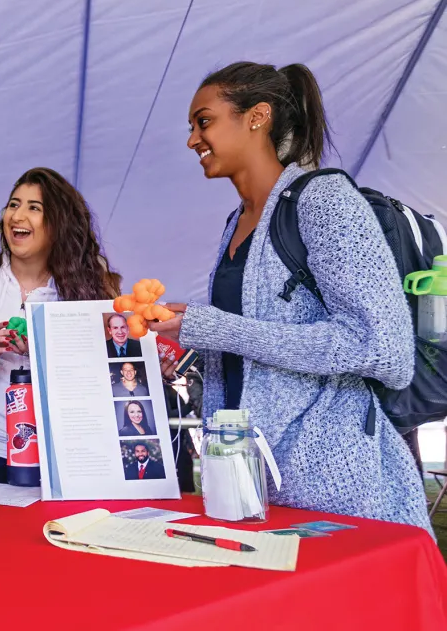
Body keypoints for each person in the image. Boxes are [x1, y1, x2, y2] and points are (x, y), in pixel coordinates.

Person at [151, 61, 432, 534]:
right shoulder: (236, 222)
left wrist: (217, 328)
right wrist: (191, 330)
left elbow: (386, 351)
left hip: (335, 486)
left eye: (204, 121)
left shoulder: (324, 200)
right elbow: (252, 345)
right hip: (249, 482)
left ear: (256, 116)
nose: (192, 140)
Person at [0, 167, 121, 488]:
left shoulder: (87, 292)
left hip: (59, 450)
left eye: (34, 208)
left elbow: (101, 375)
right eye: (13, 204)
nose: (18, 215)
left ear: (58, 224)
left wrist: (41, 354)